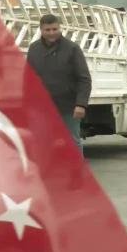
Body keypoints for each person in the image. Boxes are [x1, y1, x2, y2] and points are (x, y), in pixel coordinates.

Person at [27, 14, 92, 155]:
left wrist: (81, 104)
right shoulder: (34, 49)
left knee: (72, 141)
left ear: (60, 28)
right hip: (42, 107)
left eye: (54, 29)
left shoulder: (72, 49)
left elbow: (84, 79)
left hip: (68, 107)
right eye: (47, 30)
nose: (51, 33)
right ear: (41, 30)